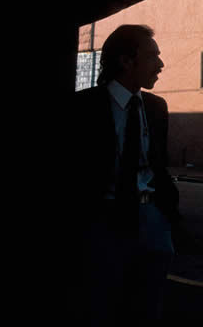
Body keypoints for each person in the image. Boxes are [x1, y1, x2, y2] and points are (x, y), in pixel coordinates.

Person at [75, 24, 178, 326]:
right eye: (151, 56)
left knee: (147, 309)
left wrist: (166, 215)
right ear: (126, 61)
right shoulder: (85, 107)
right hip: (102, 220)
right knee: (101, 306)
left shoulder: (157, 108)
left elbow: (159, 166)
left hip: (151, 221)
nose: (160, 64)